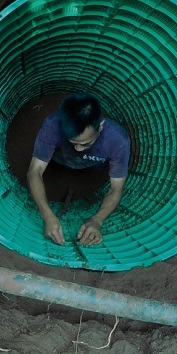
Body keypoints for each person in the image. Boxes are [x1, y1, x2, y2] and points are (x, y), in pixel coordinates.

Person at [27, 93, 130, 246]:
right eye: (73, 142)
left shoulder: (118, 141)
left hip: (93, 168)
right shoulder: (53, 124)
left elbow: (116, 188)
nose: (78, 148)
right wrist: (47, 215)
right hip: (60, 160)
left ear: (100, 127)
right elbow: (34, 171)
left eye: (86, 143)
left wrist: (97, 221)